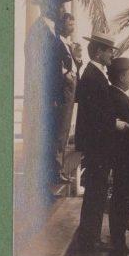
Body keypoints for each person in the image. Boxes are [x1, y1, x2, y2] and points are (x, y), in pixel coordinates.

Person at [74, 32, 125, 252]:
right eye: (109, 51)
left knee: (97, 190)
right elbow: (95, 114)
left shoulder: (95, 74)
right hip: (98, 145)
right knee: (96, 191)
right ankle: (89, 239)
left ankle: (91, 236)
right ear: (98, 52)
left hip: (97, 144)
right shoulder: (93, 76)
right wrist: (115, 124)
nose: (112, 55)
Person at [22, 0, 71, 200]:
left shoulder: (51, 31)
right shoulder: (39, 33)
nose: (63, 10)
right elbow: (38, 71)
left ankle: (44, 187)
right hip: (43, 100)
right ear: (50, 6)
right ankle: (38, 192)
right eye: (60, 5)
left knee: (47, 142)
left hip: (50, 99)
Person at [106, 57, 129, 256]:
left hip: (126, 158)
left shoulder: (117, 96)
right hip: (124, 159)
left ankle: (119, 244)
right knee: (121, 200)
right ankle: (118, 246)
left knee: (123, 201)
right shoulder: (116, 97)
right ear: (121, 77)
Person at [55, 10, 82, 182]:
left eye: (73, 24)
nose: (72, 27)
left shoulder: (67, 44)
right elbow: (56, 64)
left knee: (65, 129)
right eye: (69, 24)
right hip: (65, 88)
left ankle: (59, 168)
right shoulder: (57, 43)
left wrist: (77, 59)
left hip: (71, 89)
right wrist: (66, 75)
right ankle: (57, 170)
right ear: (62, 25)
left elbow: (73, 64)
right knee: (61, 129)